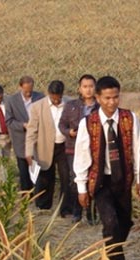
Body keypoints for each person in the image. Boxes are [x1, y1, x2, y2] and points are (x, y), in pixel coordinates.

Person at [74, 76, 138, 260]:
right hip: (101, 182)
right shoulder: (89, 123)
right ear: (98, 98)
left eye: (116, 98)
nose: (112, 102)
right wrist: (81, 188)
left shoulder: (130, 119)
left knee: (124, 222)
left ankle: (109, 250)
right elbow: (82, 155)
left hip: (124, 180)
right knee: (110, 222)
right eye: (107, 98)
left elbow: (138, 149)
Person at [25, 80, 71, 214]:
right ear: (48, 93)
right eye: (53, 98)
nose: (56, 101)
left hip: (64, 146)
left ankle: (65, 208)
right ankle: (43, 207)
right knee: (45, 177)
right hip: (44, 147)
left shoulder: (69, 103)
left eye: (59, 98)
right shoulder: (37, 107)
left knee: (66, 178)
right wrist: (29, 152)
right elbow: (31, 131)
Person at [58, 74, 98, 224]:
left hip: (95, 149)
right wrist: (69, 132)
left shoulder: (100, 106)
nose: (88, 90)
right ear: (79, 89)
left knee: (92, 181)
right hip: (73, 149)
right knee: (76, 180)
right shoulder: (71, 106)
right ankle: (77, 211)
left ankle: (91, 213)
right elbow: (62, 124)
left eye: (91, 86)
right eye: (85, 87)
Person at [5, 76, 45, 193]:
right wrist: (22, 125)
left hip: (37, 139)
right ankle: (26, 194)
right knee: (23, 169)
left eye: (30, 91)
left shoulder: (40, 98)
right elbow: (9, 121)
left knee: (37, 167)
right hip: (20, 139)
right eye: (26, 91)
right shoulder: (12, 101)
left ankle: (38, 192)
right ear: (20, 87)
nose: (28, 93)